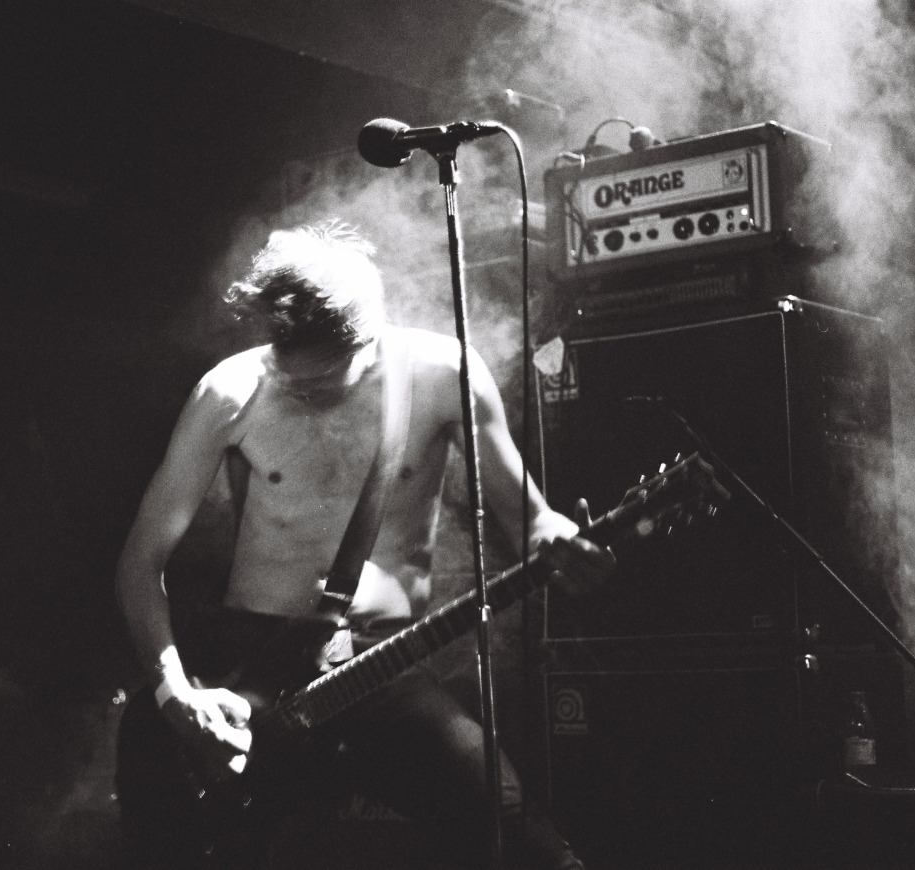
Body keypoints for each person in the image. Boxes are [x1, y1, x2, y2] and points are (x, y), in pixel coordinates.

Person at [115, 219, 615, 869]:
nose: (304, 393)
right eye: (291, 378)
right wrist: (175, 696)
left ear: (369, 335)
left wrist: (565, 543)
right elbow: (140, 563)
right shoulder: (231, 392)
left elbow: (533, 521)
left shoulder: (444, 375)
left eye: (324, 381)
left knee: (522, 841)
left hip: (381, 672)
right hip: (251, 675)